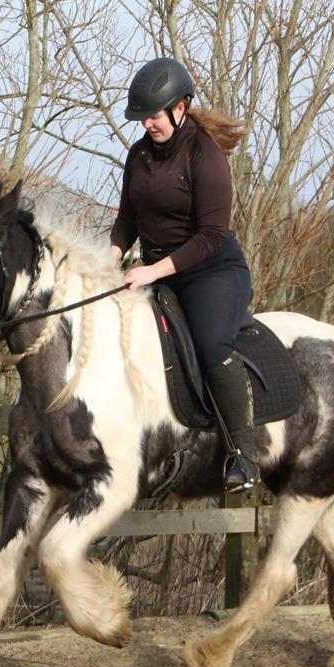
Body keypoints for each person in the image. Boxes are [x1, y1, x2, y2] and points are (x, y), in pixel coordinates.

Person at [109, 56, 258, 493]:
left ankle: (244, 456)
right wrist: (112, 256)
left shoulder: (205, 156)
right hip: (157, 270)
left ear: (180, 107)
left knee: (211, 344)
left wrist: (152, 270)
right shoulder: (138, 156)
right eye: (142, 119)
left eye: (153, 116)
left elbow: (211, 235)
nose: (147, 126)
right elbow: (126, 221)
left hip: (211, 271)